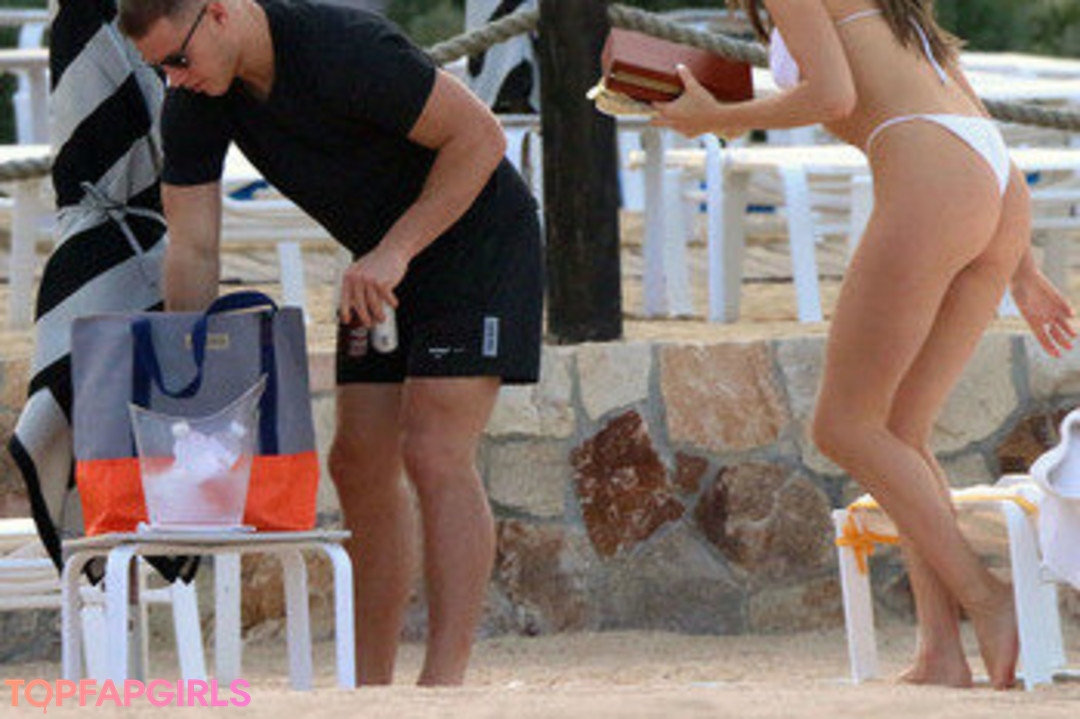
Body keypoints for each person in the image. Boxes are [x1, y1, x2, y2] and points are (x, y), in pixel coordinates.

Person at [652, 0, 1075, 689]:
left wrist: (715, 120)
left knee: (844, 426)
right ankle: (940, 650)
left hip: (935, 174)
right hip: (985, 176)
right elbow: (961, 97)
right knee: (900, 430)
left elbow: (833, 96)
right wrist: (1020, 265)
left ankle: (989, 598)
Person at [118, 0, 543, 686]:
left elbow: (481, 138)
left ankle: (443, 688)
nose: (174, 79)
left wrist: (396, 251)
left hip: (476, 239)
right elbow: (193, 248)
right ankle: (369, 686)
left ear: (218, 13)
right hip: (377, 264)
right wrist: (184, 372)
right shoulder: (197, 98)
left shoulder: (343, 44)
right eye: (160, 68)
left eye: (177, 59)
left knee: (434, 449)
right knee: (358, 462)